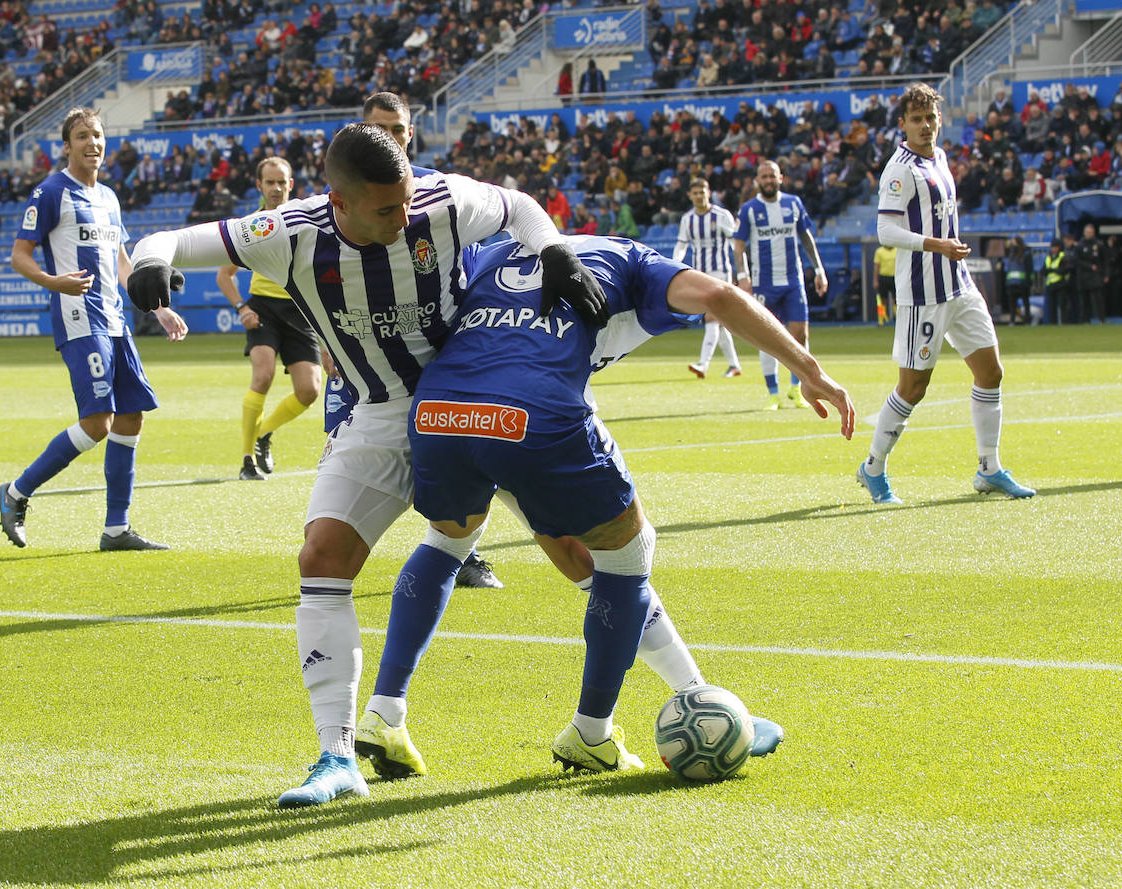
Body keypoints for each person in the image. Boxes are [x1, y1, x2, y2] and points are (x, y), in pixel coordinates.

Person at [126, 123, 610, 808]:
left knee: (586, 554)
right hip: (380, 413)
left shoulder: (441, 201)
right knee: (321, 555)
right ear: (340, 203)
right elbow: (177, 239)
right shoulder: (291, 231)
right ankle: (336, 756)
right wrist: (148, 263)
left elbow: (521, 206)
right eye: (387, 209)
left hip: (470, 399)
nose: (405, 215)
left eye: (407, 199)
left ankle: (693, 692)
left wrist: (555, 250)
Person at [352, 234, 855, 778]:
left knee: (451, 543)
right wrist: (809, 369)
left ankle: (384, 712)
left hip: (440, 410)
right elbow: (719, 296)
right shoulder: (636, 264)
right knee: (628, 556)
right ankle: (592, 732)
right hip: (534, 415)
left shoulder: (490, 253)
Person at [0, 107, 188, 552]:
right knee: (97, 422)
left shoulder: (108, 197)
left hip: (116, 319)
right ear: (67, 146)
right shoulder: (50, 192)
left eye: (98, 135)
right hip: (78, 317)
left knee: (130, 417)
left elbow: (122, 262)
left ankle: (116, 529)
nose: (92, 143)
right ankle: (15, 493)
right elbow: (19, 255)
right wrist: (54, 282)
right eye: (82, 136)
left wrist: (155, 307)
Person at [857, 83, 1035, 505]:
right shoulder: (899, 169)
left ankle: (989, 468)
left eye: (930, 118)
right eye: (916, 120)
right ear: (902, 125)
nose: (924, 126)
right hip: (924, 294)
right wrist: (937, 245)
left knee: (991, 373)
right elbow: (885, 231)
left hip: (960, 285)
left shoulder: (939, 158)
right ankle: (873, 468)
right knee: (913, 388)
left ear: (939, 120)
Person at [360, 91, 503, 591]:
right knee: (356, 443)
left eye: (398, 130)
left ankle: (464, 552)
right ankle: (339, 548)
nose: (391, 139)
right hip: (374, 350)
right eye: (380, 130)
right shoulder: (345, 195)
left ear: (410, 134)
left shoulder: (440, 192)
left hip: (445, 339)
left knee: (464, 447)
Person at [217, 156, 323, 480]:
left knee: (310, 391)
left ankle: (263, 433)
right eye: (270, 182)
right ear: (259, 185)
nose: (276, 188)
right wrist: (242, 308)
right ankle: (247, 459)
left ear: (291, 185)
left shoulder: (305, 223)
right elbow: (225, 275)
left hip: (299, 310)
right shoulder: (249, 227)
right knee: (262, 377)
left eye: (281, 182)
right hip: (262, 308)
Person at [732, 160, 829, 410]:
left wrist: (818, 269)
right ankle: (773, 394)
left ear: (780, 178)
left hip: (793, 281)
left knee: (800, 335)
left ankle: (796, 389)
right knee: (768, 337)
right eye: (763, 176)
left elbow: (806, 237)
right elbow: (739, 247)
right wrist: (742, 276)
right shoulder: (749, 210)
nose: (768, 180)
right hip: (764, 284)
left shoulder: (793, 203)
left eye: (772, 176)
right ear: (757, 181)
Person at [673, 177, 742, 379]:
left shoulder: (722, 216)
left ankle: (703, 364)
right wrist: (675, 263)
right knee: (718, 322)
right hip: (700, 275)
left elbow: (734, 244)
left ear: (708, 193)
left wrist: (742, 271)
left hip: (720, 273)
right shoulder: (688, 219)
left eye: (702, 192)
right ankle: (734, 365)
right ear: (690, 195)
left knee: (711, 317)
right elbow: (682, 245)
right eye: (695, 193)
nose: (698, 196)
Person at [1074, 223, 1109, 324]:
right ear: (1084, 233)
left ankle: (1102, 319)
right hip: (1083, 276)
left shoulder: (1099, 244)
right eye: (1087, 232)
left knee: (1098, 299)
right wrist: (1089, 266)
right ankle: (1086, 320)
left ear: (1093, 233)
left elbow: (1105, 260)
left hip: (1095, 276)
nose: (1089, 234)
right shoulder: (1079, 245)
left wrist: (1106, 274)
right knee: (1084, 300)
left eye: (1091, 232)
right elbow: (1076, 260)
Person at [999, 236, 1033, 325]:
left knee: (1024, 303)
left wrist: (1028, 281)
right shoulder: (1011, 254)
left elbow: (1029, 269)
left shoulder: (1024, 254)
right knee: (1014, 303)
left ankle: (1026, 320)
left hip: (1020, 283)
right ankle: (1014, 320)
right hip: (1013, 282)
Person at [1042, 237, 1073, 325]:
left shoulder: (1064, 256)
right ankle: (1053, 323)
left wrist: (1051, 270)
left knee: (1062, 305)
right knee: (1052, 306)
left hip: (1061, 284)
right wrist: (1053, 270)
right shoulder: (1048, 257)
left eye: (1056, 247)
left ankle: (1064, 322)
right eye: (1053, 247)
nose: (1054, 249)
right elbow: (1044, 270)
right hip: (1051, 284)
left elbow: (1064, 270)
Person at [873, 242, 897, 324]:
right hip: (883, 278)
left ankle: (898, 319)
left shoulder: (897, 250)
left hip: (895, 277)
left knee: (896, 300)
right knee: (882, 300)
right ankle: (881, 320)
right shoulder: (879, 251)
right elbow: (876, 266)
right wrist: (875, 280)